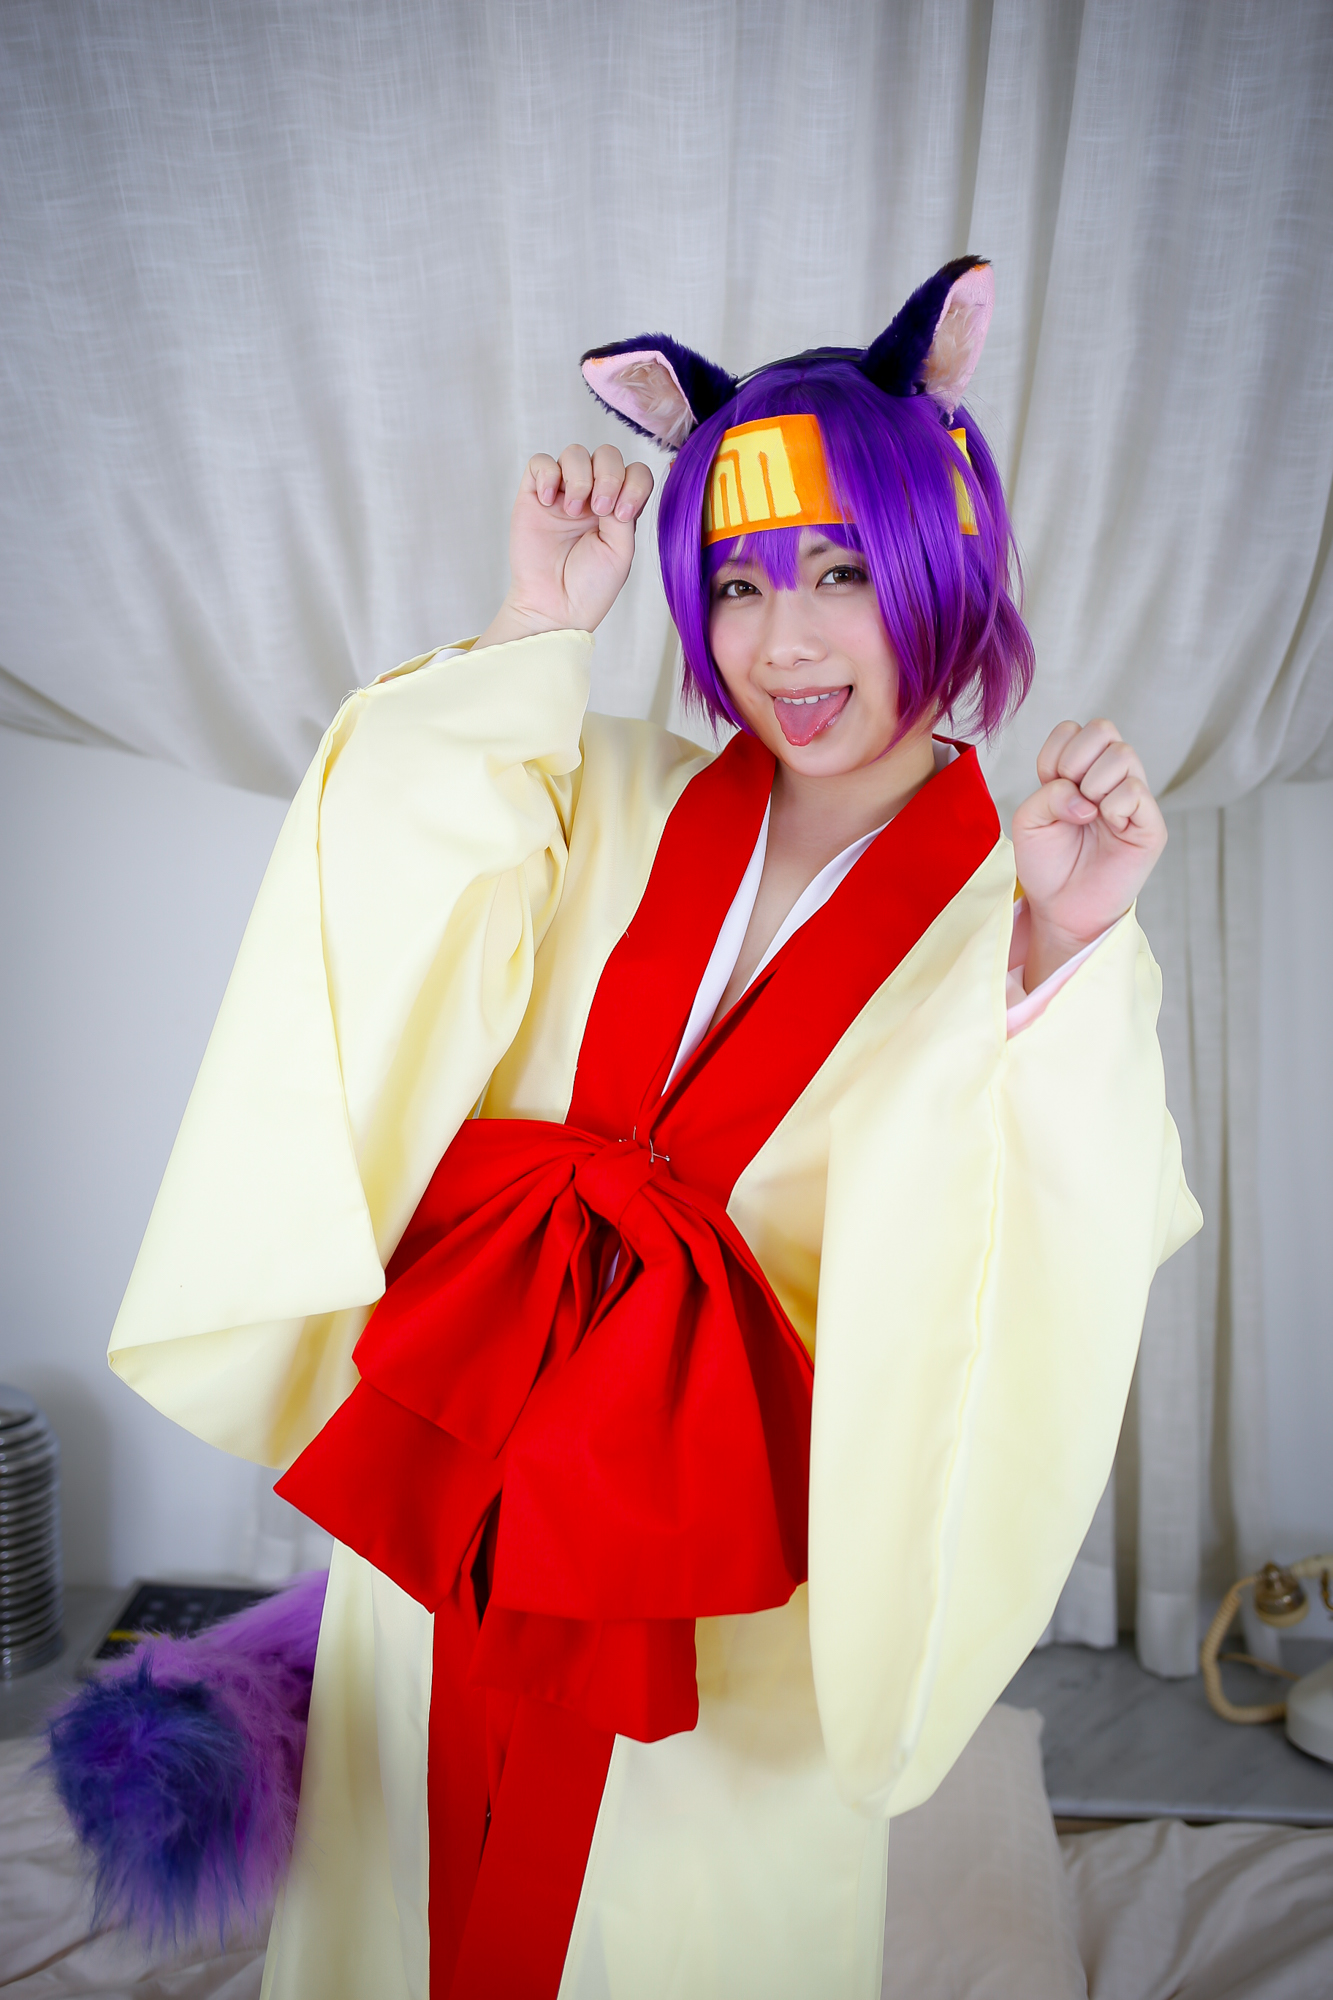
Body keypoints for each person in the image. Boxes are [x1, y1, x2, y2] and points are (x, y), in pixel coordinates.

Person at [108, 257, 1200, 1999]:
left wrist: (1058, 951)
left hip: (722, 1537)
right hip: (483, 1441)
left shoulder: (1014, 906)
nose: (784, 643)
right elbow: (385, 903)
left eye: (842, 572)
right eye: (736, 583)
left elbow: (1051, 1230)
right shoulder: (601, 786)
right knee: (402, 1863)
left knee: (687, 1910)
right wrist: (534, 624)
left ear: (946, 560)